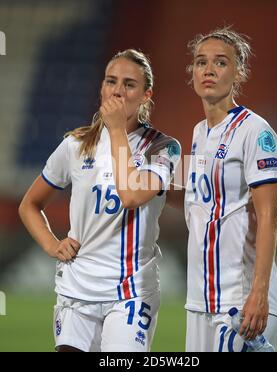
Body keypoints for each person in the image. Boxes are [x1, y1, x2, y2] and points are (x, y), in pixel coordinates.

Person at [19, 49, 181, 352]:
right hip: (77, 288)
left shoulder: (163, 147)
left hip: (131, 292)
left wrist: (117, 129)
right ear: (102, 88)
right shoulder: (76, 144)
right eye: (111, 81)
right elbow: (29, 204)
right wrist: (51, 244)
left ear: (146, 95)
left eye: (129, 84)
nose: (118, 90)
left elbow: (131, 195)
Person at [169, 27, 277, 352]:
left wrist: (258, 293)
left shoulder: (256, 132)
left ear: (238, 72)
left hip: (241, 297)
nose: (208, 69)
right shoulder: (199, 132)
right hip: (202, 298)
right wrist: (154, 185)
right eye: (200, 62)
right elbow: (201, 200)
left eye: (220, 62)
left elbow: (268, 217)